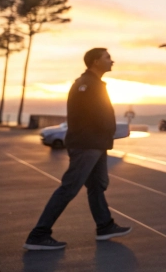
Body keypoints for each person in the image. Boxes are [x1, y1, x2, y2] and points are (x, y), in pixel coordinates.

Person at [23, 48, 131, 251]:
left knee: (97, 185)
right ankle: (38, 235)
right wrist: (109, 129)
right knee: (69, 187)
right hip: (87, 144)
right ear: (95, 61)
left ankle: (105, 226)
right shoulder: (87, 85)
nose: (112, 61)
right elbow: (93, 115)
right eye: (107, 57)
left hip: (96, 143)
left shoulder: (93, 84)